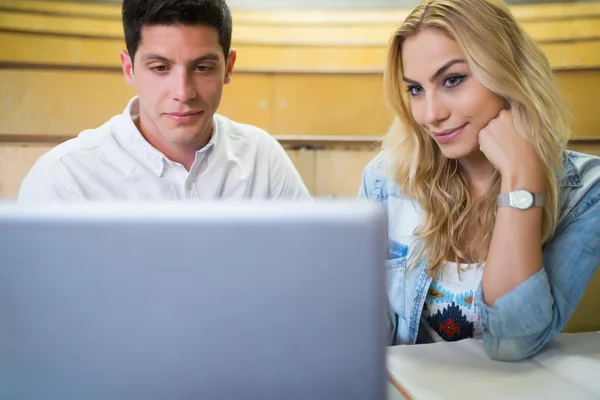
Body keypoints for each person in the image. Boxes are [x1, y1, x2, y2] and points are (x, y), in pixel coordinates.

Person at [359, 0, 600, 361]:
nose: (431, 115)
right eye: (415, 89)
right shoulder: (385, 179)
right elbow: (365, 334)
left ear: (509, 73)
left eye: (452, 80)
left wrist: (522, 179)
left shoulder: (586, 192)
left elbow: (513, 341)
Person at [18, 0, 310, 202]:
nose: (183, 93)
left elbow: (308, 271)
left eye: (202, 67)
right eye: (160, 68)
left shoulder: (263, 158)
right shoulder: (63, 177)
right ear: (129, 68)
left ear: (228, 67)